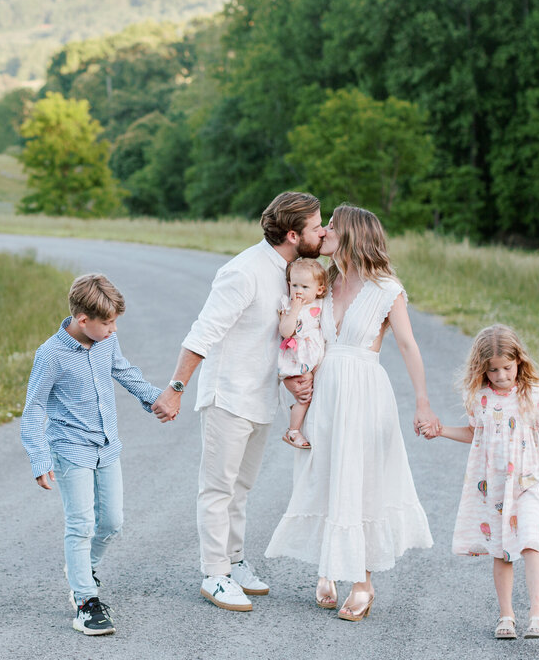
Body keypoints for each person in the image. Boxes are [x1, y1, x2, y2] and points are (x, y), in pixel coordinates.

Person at [153, 191, 325, 612]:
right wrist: (175, 390)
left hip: (260, 397)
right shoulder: (244, 271)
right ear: (291, 234)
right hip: (227, 396)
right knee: (218, 488)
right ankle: (214, 574)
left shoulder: (288, 273)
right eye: (316, 226)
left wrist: (290, 382)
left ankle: (234, 562)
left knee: (242, 488)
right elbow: (203, 334)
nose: (322, 232)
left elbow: (272, 341)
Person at [265, 204, 435, 621]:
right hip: (324, 391)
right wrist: (295, 379)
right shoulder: (326, 282)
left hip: (364, 392)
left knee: (360, 482)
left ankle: (362, 582)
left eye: (331, 228)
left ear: (352, 235)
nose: (323, 232)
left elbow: (409, 346)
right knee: (321, 475)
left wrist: (423, 401)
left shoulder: (386, 288)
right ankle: (328, 568)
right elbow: (299, 336)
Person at [19, 273, 170, 636]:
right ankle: (86, 600)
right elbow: (34, 408)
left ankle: (82, 569)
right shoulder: (50, 355)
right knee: (81, 524)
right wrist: (40, 459)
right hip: (71, 449)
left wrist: (156, 398)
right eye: (108, 323)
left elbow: (124, 371)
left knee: (112, 522)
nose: (114, 330)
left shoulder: (105, 343)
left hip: (108, 446)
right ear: (82, 320)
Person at [421, 324, 539, 640]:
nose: (501, 376)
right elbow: (476, 434)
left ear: (519, 362)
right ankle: (506, 615)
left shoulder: (535, 395)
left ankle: (537, 615)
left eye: (507, 368)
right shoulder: (481, 399)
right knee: (502, 551)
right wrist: (442, 430)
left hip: (532, 481)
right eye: (493, 370)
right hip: (498, 485)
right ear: (483, 369)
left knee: (532, 542)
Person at [277, 258, 329, 450]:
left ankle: (298, 417)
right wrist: (295, 309)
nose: (298, 291)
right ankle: (293, 431)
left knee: (313, 395)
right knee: (304, 397)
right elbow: (285, 331)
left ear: (319, 290)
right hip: (297, 360)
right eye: (294, 285)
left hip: (315, 359)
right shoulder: (289, 305)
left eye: (305, 287)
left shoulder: (321, 304)